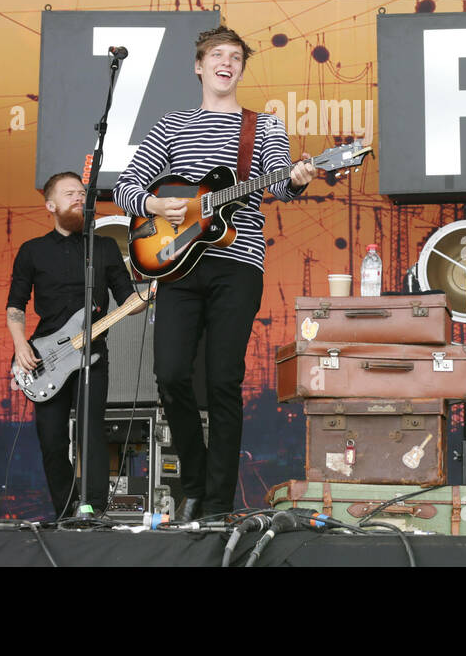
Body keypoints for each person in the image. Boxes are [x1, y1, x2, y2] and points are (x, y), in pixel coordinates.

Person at [113, 26, 315, 522]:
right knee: (171, 374)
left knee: (224, 381)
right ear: (199, 66)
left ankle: (217, 502)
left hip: (237, 264)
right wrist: (156, 202)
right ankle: (195, 481)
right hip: (177, 263)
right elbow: (125, 186)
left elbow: (281, 184)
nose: (227, 63)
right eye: (217, 55)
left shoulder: (262, 127)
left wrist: (297, 179)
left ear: (241, 69)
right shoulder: (172, 124)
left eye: (235, 58)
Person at [8, 171, 143, 517]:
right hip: (44, 358)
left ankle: (94, 511)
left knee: (91, 434)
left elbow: (128, 299)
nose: (79, 198)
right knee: (53, 441)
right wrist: (21, 345)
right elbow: (15, 306)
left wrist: (143, 297)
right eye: (70, 194)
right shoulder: (32, 251)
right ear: (50, 205)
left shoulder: (105, 247)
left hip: (92, 356)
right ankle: (66, 513)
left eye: (82, 193)